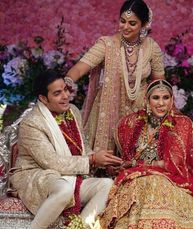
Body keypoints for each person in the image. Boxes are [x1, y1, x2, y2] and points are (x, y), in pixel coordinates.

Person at [9, 69, 123, 229]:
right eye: (57, 93)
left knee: (107, 184)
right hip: (36, 175)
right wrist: (91, 160)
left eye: (65, 89)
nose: (65, 96)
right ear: (43, 98)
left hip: (68, 177)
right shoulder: (32, 122)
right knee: (65, 189)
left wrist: (101, 160)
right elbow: (52, 162)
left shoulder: (73, 111)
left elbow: (81, 149)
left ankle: (78, 227)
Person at [99, 79, 193, 228]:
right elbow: (125, 159)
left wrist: (137, 165)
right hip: (136, 179)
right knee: (138, 194)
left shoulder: (181, 124)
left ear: (172, 99)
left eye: (165, 97)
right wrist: (119, 166)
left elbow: (172, 163)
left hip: (170, 179)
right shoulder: (131, 123)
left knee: (159, 188)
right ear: (147, 100)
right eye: (156, 98)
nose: (161, 103)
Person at [65, 0, 165, 152]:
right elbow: (79, 69)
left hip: (141, 111)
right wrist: (66, 83)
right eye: (122, 21)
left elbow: (159, 83)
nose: (125, 27)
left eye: (132, 23)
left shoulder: (151, 47)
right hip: (109, 109)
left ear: (143, 25)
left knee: (137, 163)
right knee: (106, 165)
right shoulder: (107, 45)